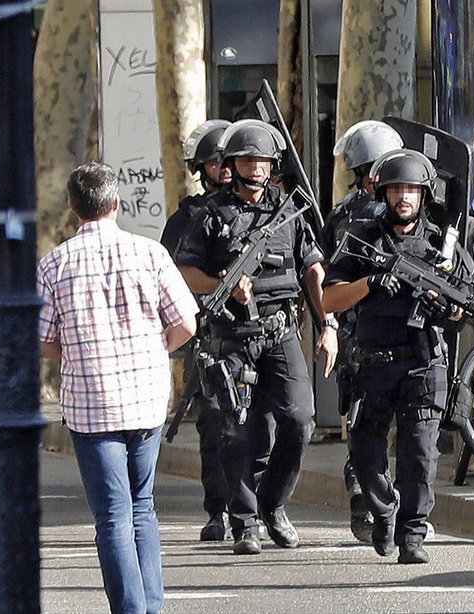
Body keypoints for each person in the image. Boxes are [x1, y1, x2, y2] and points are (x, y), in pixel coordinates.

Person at [37, 161, 198, 614]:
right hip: (146, 400)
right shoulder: (150, 254)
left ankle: (130, 609)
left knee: (112, 514)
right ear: (116, 203)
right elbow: (186, 322)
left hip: (92, 404)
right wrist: (155, 350)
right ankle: (153, 604)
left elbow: (44, 342)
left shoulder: (54, 263)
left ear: (73, 208)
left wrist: (78, 349)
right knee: (142, 505)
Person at [176, 119, 338, 555]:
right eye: (246, 160)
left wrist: (328, 325)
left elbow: (313, 271)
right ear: (231, 163)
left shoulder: (290, 210)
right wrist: (221, 284)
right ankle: (244, 522)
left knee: (299, 419)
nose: (254, 169)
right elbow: (184, 271)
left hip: (281, 332)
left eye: (262, 161)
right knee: (234, 430)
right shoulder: (209, 216)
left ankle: (273, 503)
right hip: (230, 337)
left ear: (272, 166)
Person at [322, 148, 471, 564]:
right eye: (396, 189)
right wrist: (369, 283)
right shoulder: (362, 239)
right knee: (366, 455)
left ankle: (412, 535)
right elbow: (329, 298)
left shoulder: (442, 245)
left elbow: (463, 307)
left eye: (411, 190)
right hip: (372, 363)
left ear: (424, 194)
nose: (403, 197)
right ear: (383, 192)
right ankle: (383, 511)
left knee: (419, 454)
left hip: (423, 363)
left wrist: (447, 306)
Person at [161, 119, 270, 543]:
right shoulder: (191, 217)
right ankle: (218, 510)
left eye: (227, 161)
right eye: (214, 162)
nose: (223, 169)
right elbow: (171, 275)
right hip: (208, 333)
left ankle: (258, 505)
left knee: (263, 422)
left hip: (257, 331)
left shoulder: (261, 209)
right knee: (216, 426)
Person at [324, 120, 404, 543]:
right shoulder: (388, 214)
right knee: (380, 424)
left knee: (364, 425)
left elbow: (324, 277)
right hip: (376, 334)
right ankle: (373, 497)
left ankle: (365, 492)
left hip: (356, 335)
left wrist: (329, 325)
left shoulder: (341, 212)